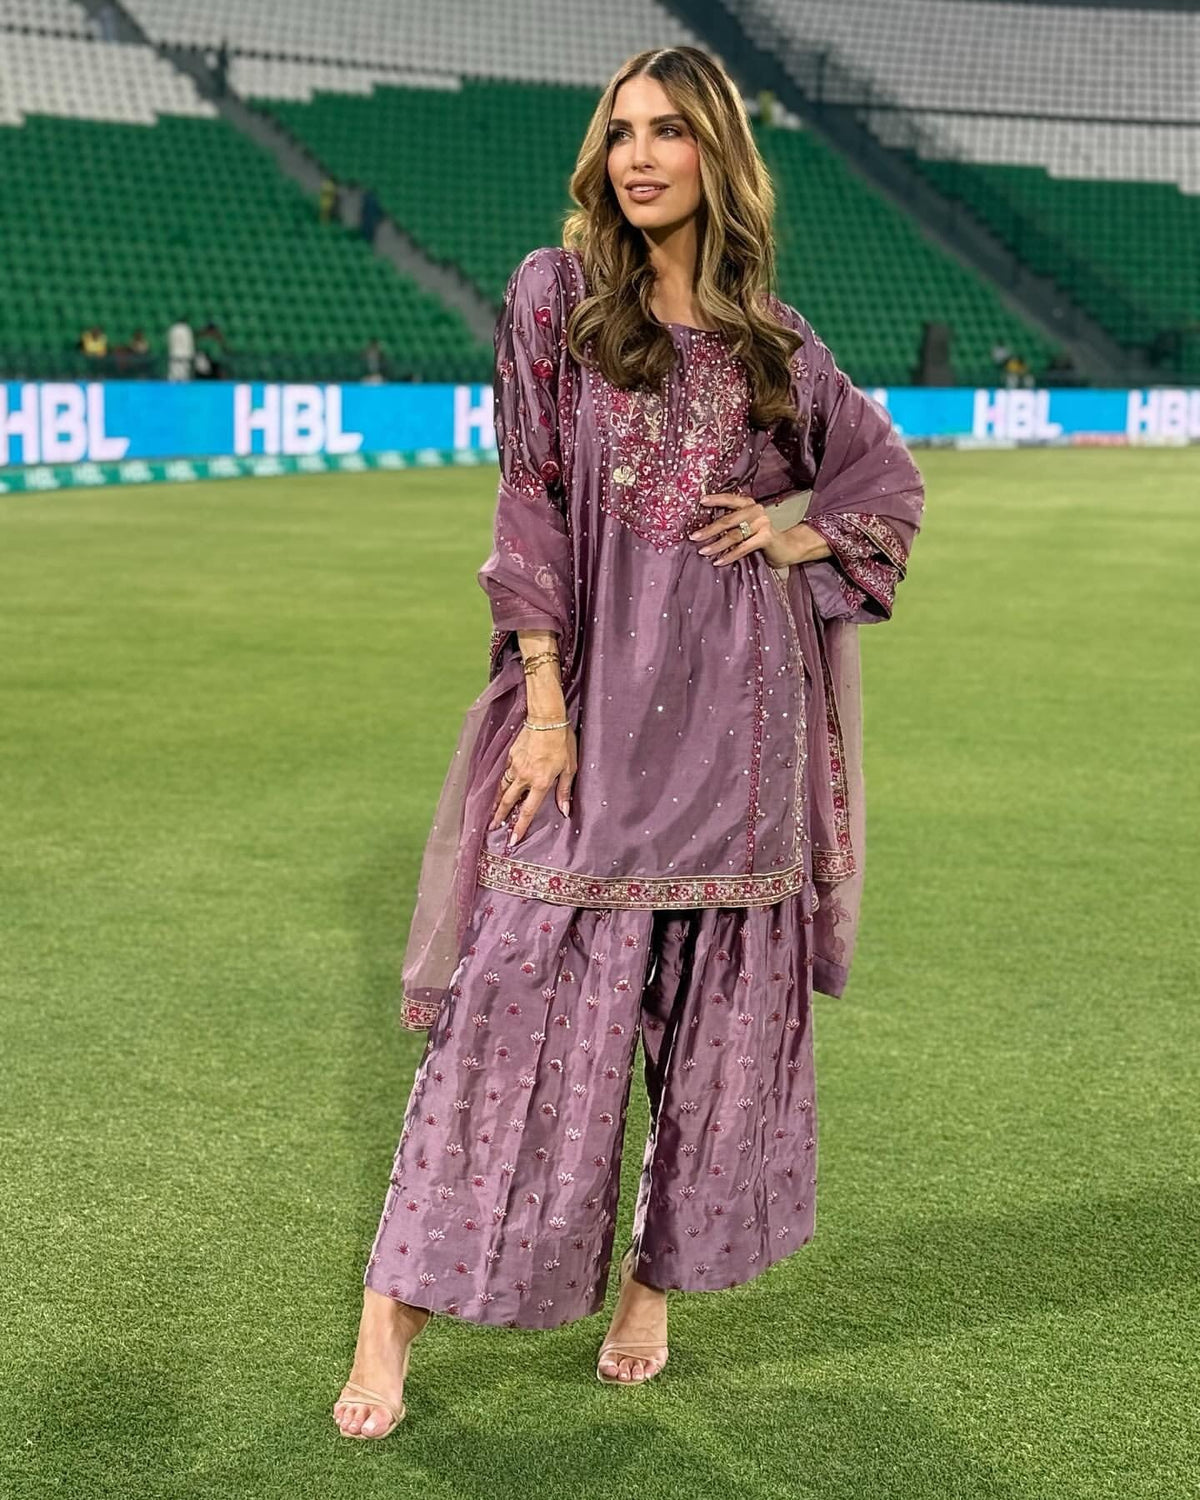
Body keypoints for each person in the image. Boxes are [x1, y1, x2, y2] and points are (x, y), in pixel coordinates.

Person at [333, 45, 924, 1440]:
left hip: (743, 755)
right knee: (507, 1029)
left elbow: (885, 480)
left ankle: (651, 1291)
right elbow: (528, 499)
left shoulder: (779, 342)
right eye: (620, 133)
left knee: (710, 1055)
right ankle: (390, 1312)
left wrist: (793, 530)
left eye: (669, 132)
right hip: (592, 738)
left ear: (719, 154)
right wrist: (545, 702)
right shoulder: (555, 303)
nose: (638, 156)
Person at [166, 316, 194, 381]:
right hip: (185, 354)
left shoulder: (173, 328)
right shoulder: (187, 329)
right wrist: (191, 354)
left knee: (173, 371)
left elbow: (170, 341)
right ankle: (183, 387)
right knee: (184, 373)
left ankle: (172, 386)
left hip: (174, 352)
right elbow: (189, 343)